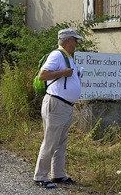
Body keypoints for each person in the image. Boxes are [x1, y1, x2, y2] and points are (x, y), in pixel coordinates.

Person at [34, 27, 84, 188]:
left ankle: (58, 174)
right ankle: (40, 176)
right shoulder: (57, 55)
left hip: (65, 106)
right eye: (75, 40)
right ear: (68, 40)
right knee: (51, 142)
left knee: (60, 142)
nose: (76, 43)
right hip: (56, 104)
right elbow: (43, 75)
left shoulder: (68, 56)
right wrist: (63, 72)